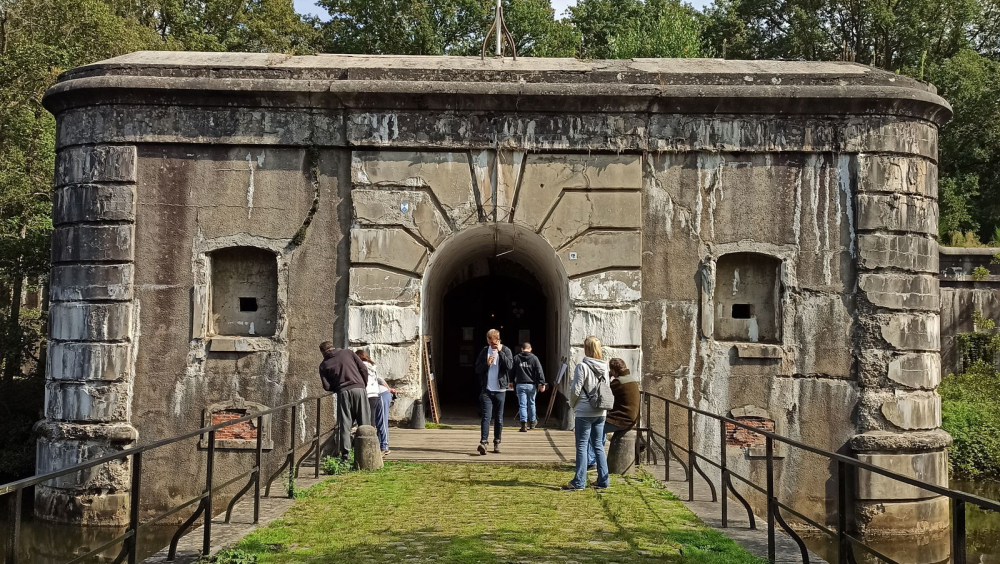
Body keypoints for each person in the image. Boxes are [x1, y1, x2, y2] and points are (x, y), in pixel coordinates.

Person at [563, 336, 610, 491]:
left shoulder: (582, 367)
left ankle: (579, 481)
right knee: (598, 445)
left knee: (582, 445)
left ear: (586, 349)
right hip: (600, 410)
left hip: (584, 410)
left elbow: (575, 390)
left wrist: (572, 404)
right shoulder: (605, 367)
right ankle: (603, 479)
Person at [318, 341, 371, 460]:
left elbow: (326, 386)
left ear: (322, 352)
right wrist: (363, 383)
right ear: (333, 346)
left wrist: (337, 387)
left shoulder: (323, 365)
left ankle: (345, 453)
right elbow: (363, 368)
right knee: (365, 420)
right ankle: (366, 450)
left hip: (342, 392)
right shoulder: (348, 353)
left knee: (345, 424)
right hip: (359, 388)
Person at [587, 357, 640, 465]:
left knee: (593, 429)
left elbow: (604, 392)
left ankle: (592, 461)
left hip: (622, 420)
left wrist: (607, 376)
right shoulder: (631, 380)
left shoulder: (618, 382)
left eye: (611, 370)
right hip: (631, 419)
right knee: (600, 427)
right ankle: (596, 457)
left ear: (614, 370)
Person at [474, 328, 513, 455]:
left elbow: (509, 366)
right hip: (487, 389)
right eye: (490, 342)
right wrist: (487, 364)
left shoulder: (506, 350)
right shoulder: (484, 351)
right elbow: (477, 369)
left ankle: (497, 441)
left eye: (494, 342)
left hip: (500, 389)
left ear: (498, 340)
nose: (492, 344)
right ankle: (483, 442)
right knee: (486, 417)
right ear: (488, 340)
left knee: (499, 418)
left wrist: (500, 352)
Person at [356, 349, 396, 457]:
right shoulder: (371, 366)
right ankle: (380, 445)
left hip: (380, 394)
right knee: (378, 420)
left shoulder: (361, 366)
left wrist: (387, 390)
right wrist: (389, 389)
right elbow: (380, 379)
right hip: (379, 393)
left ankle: (384, 446)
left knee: (381, 421)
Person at [512, 342, 546, 432]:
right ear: (530, 349)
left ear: (522, 349)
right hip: (531, 385)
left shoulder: (516, 358)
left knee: (522, 405)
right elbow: (539, 371)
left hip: (520, 384)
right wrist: (542, 383)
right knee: (531, 403)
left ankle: (523, 424)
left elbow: (512, 371)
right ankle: (532, 422)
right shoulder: (534, 358)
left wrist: (510, 381)